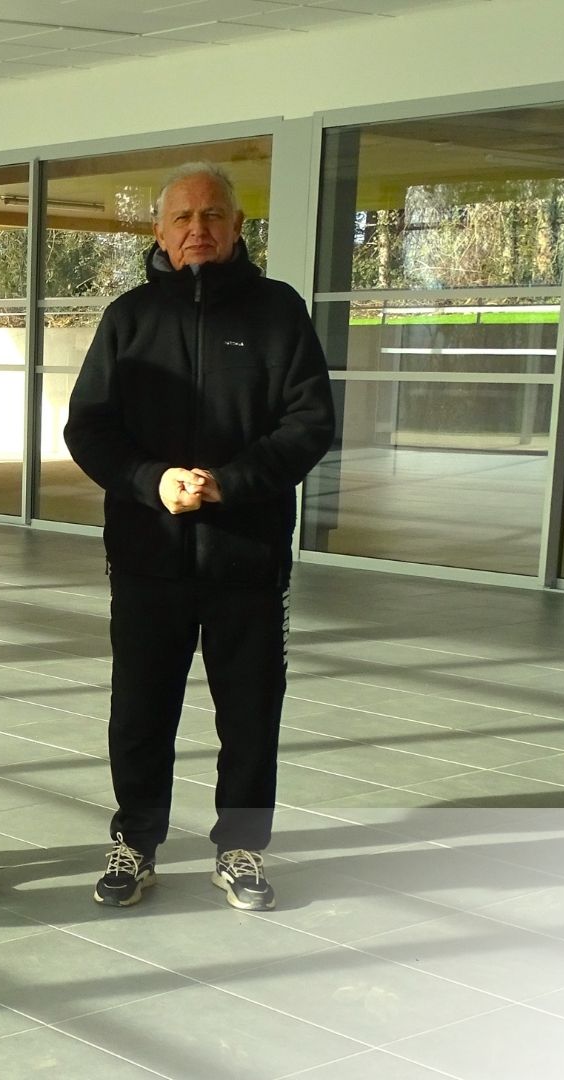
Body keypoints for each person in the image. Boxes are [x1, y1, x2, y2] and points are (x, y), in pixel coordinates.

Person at [64, 162, 334, 912]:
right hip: (147, 559)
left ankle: (241, 847)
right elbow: (89, 428)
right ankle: (135, 842)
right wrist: (151, 481)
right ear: (159, 231)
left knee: (250, 713)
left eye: (213, 215)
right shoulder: (129, 319)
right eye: (182, 217)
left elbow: (310, 423)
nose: (198, 229)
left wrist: (231, 483)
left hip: (248, 560)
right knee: (139, 711)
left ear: (239, 226)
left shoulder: (279, 313)